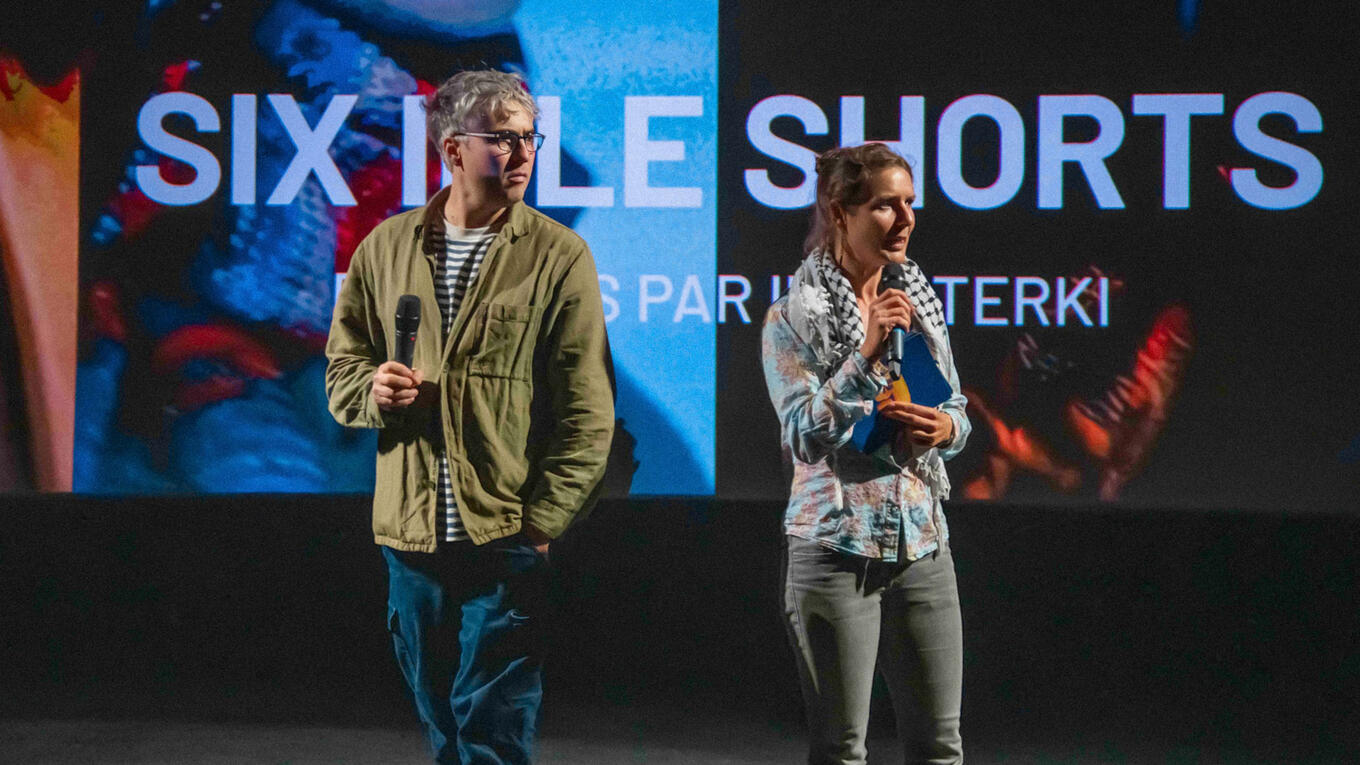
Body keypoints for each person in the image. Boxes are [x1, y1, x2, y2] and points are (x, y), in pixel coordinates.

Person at [324, 69, 614, 764]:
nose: (520, 154)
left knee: (494, 723)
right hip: (410, 530)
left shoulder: (556, 254)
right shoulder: (386, 247)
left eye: (528, 139)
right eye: (502, 139)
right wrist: (375, 392)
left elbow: (588, 409)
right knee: (438, 715)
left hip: (505, 528)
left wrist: (544, 518)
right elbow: (340, 375)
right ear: (452, 150)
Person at [760, 142, 971, 765]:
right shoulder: (794, 315)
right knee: (842, 750)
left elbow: (956, 407)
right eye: (885, 205)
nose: (905, 219)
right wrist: (865, 356)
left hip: (922, 545)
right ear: (840, 212)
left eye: (909, 203)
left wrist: (943, 430)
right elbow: (802, 433)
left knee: (939, 746)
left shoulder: (919, 302)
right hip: (835, 550)